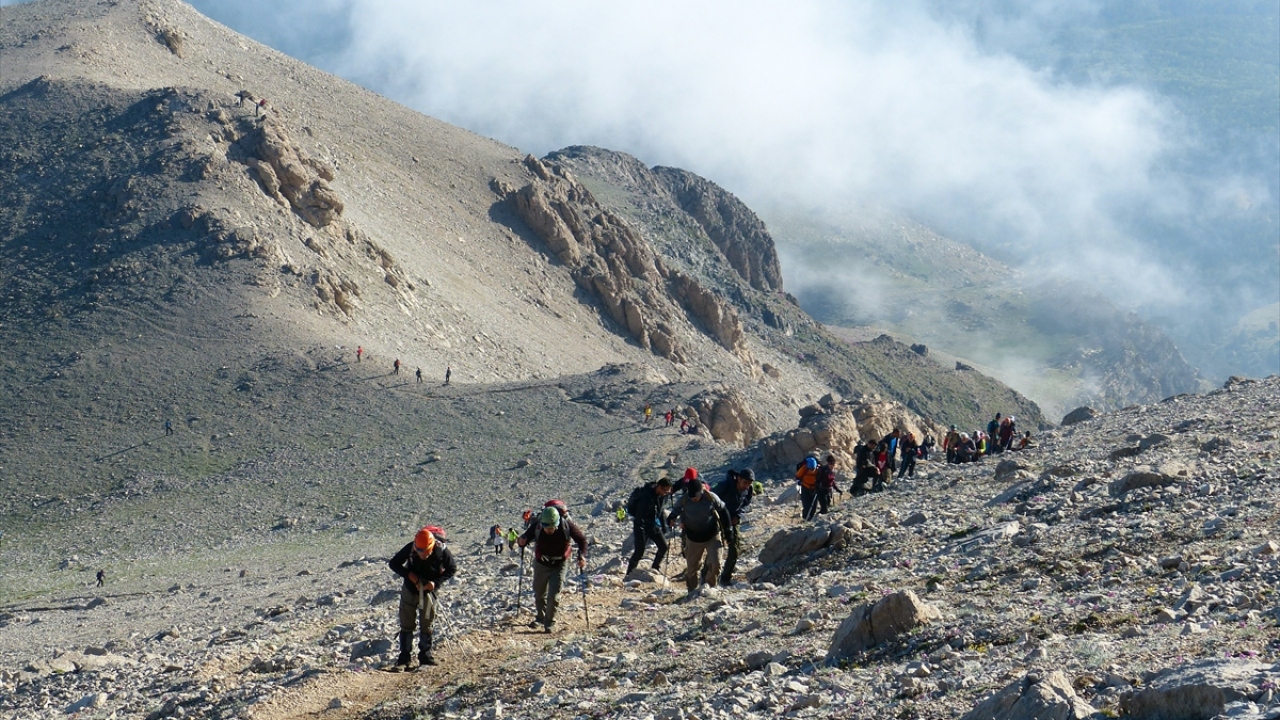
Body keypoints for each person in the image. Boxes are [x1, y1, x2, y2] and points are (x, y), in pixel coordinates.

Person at [388, 526, 457, 670]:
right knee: (406, 623)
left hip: (428, 591)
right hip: (410, 588)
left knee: (427, 624)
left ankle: (425, 658)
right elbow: (393, 563)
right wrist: (409, 575)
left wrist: (435, 583)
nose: (421, 554)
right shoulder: (411, 547)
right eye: (419, 551)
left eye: (424, 551)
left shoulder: (441, 550)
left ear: (431, 546)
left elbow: (452, 569)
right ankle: (404, 659)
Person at [517, 505, 587, 633]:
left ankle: (549, 623)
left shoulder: (566, 526)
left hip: (559, 564)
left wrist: (581, 556)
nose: (548, 530)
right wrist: (522, 541)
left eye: (551, 527)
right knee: (539, 593)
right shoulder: (538, 525)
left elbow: (581, 540)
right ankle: (540, 617)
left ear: (557, 523)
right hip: (541, 563)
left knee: (554, 596)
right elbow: (526, 537)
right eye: (546, 527)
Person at [667, 480, 731, 595]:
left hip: (712, 535)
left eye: (695, 497)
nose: (694, 499)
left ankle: (710, 588)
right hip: (693, 538)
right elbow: (675, 510)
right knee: (692, 568)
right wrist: (671, 518)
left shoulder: (711, 497)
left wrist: (728, 531)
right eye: (692, 497)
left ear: (701, 491)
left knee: (716, 564)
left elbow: (723, 511)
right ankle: (692, 591)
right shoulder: (684, 499)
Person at [712, 469, 755, 586]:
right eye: (745, 482)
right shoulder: (725, 486)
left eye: (749, 483)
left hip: (733, 522)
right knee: (714, 550)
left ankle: (725, 578)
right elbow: (710, 498)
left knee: (735, 550)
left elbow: (746, 504)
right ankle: (707, 578)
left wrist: (738, 515)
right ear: (739, 479)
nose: (747, 486)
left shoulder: (748, 490)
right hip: (718, 521)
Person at [626, 478, 674, 574]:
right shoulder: (646, 496)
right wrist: (642, 530)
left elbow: (660, 512)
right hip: (641, 526)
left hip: (652, 525)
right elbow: (639, 516)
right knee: (639, 552)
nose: (665, 493)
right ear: (659, 487)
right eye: (664, 491)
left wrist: (664, 527)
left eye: (667, 492)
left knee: (663, 546)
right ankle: (629, 573)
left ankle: (655, 568)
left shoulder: (661, 497)